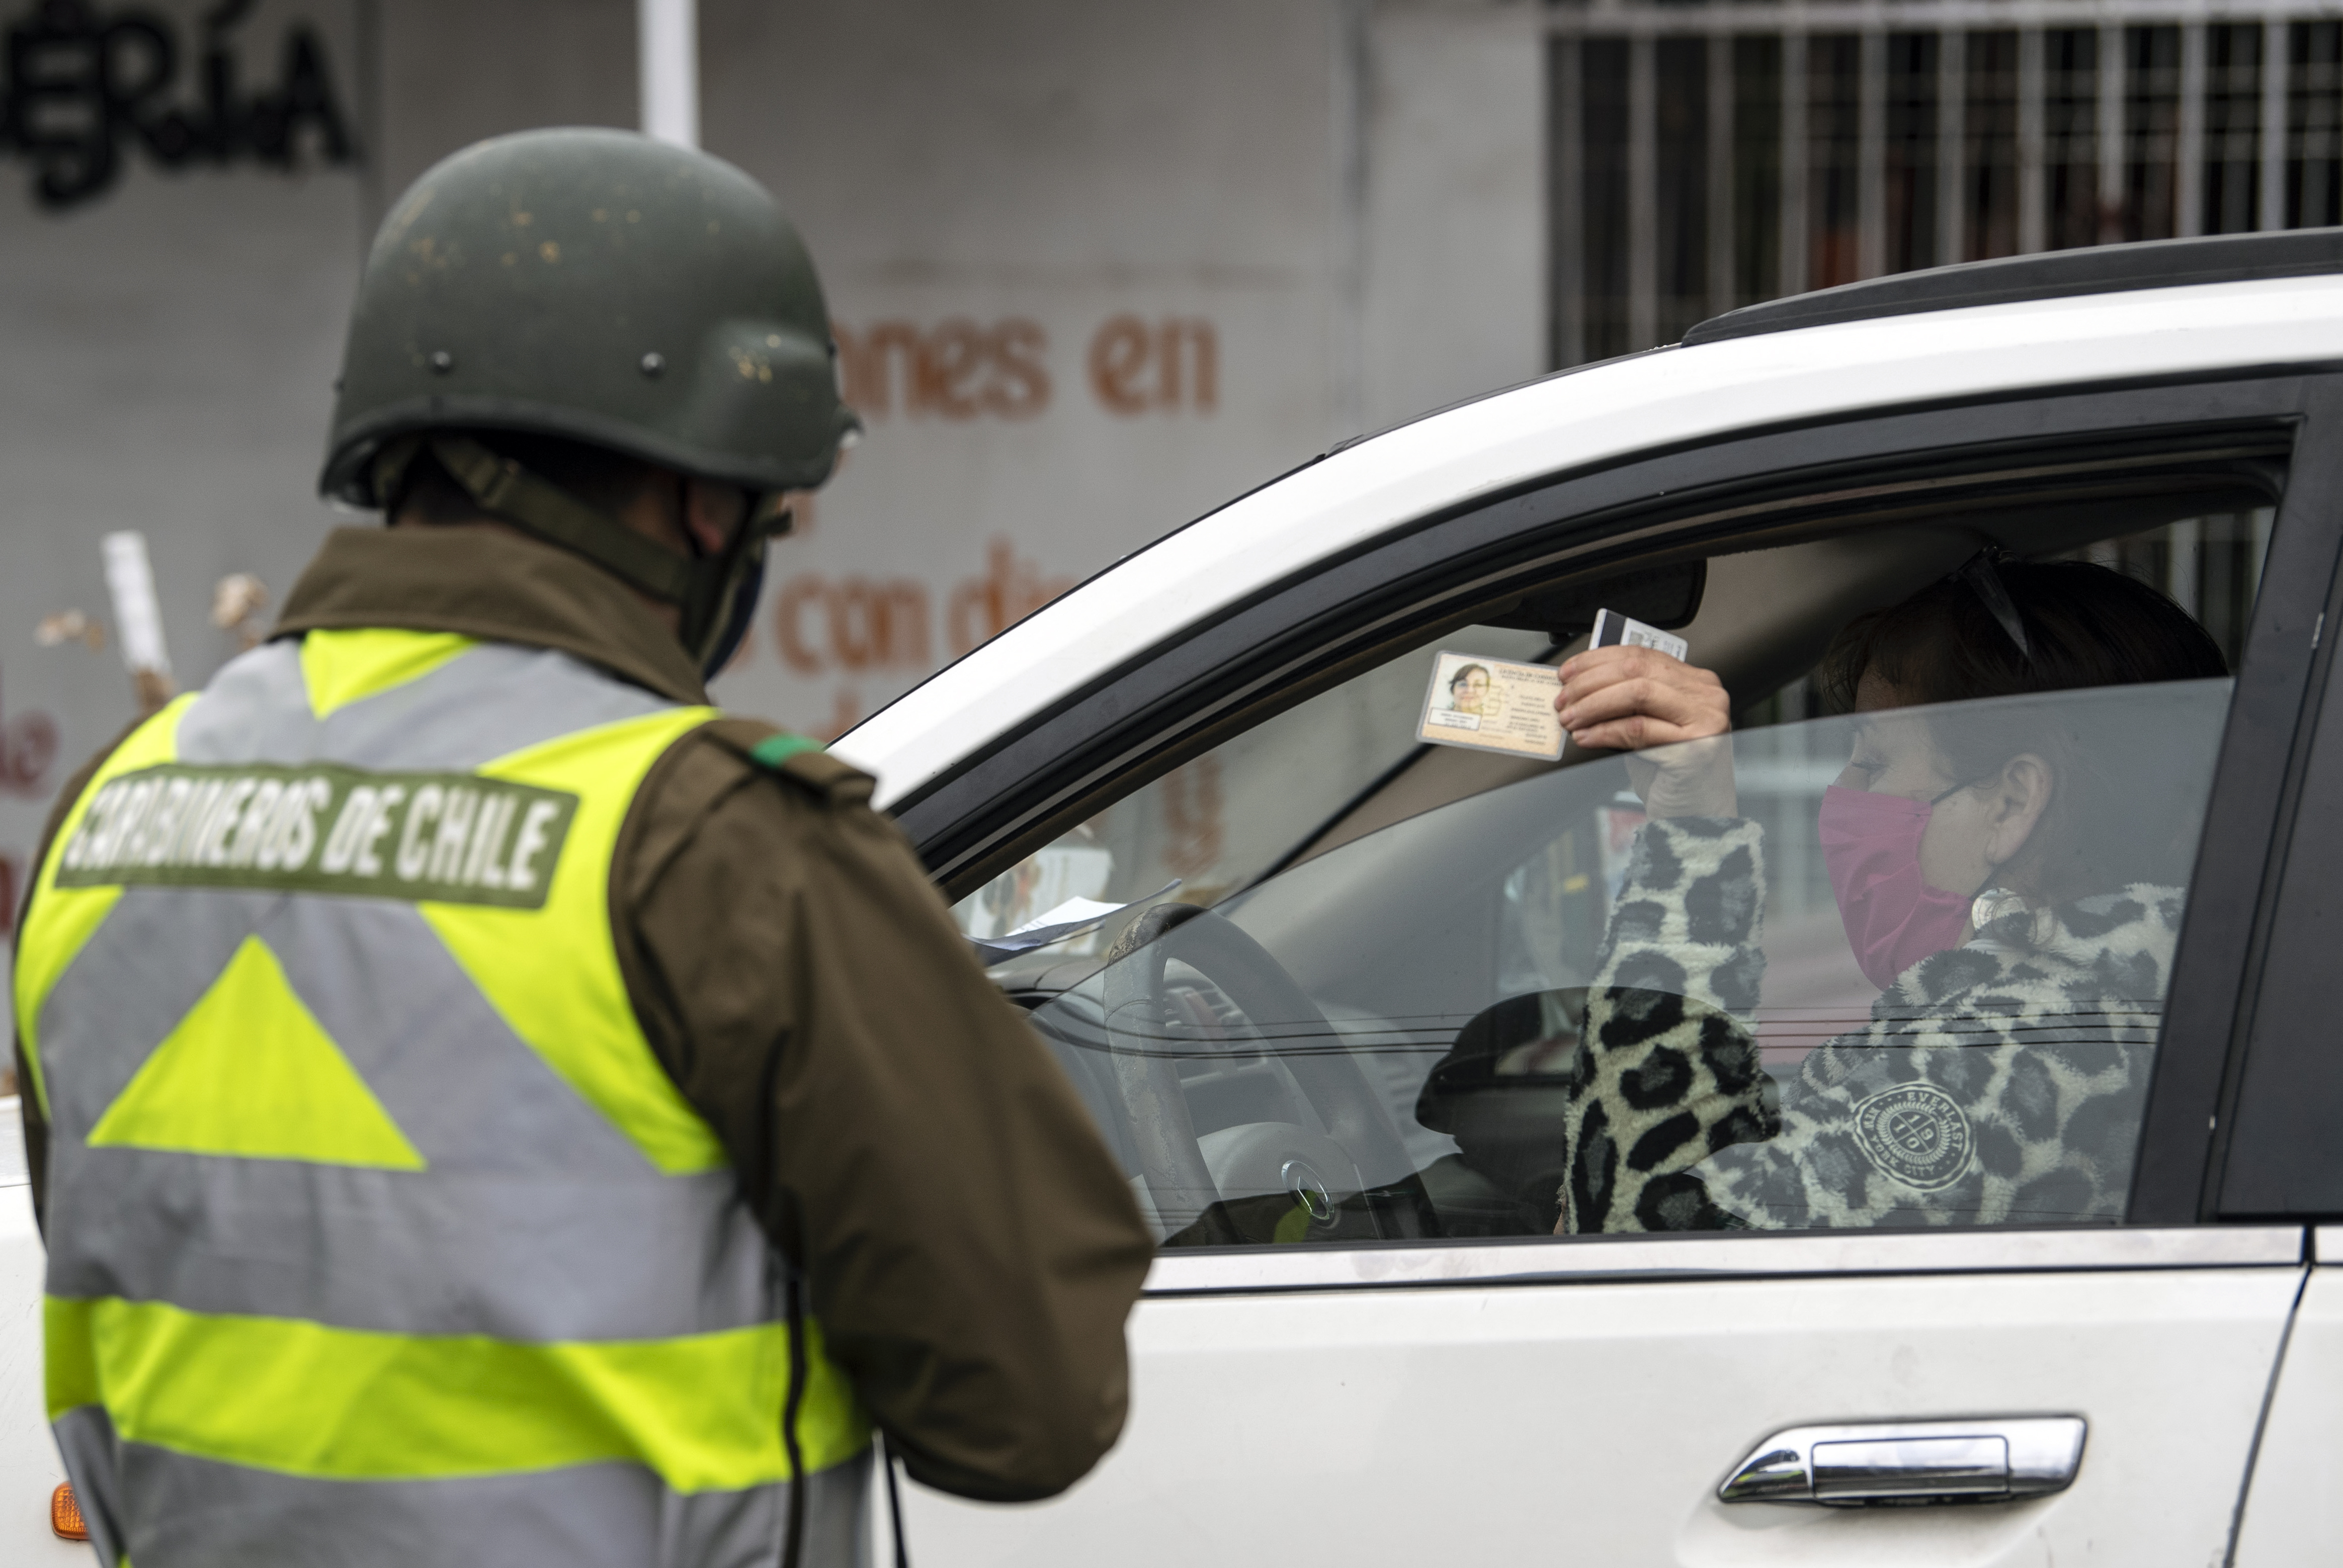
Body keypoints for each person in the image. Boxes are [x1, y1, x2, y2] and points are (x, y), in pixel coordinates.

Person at [13, 129, 1154, 1567]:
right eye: (768, 512)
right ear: (699, 501)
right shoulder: (716, 843)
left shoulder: (113, 813)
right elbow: (1027, 1404)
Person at [1547, 552, 2228, 1233]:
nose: (1843, 794)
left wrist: (1692, 843)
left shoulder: (2037, 1036)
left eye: (1872, 760)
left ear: (2010, 804)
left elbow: (1639, 1237)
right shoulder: (2103, 1004)